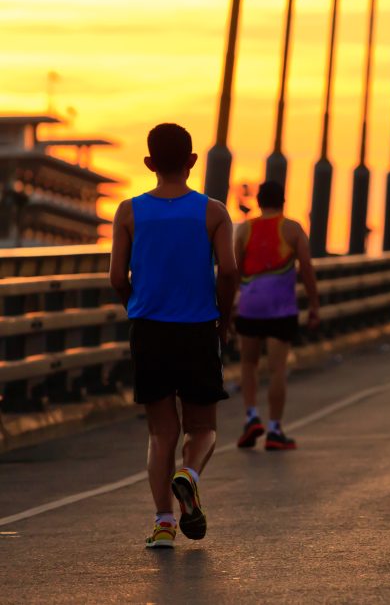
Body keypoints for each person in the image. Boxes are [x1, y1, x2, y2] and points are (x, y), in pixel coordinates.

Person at [109, 123, 237, 549]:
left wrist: (137, 304)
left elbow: (115, 276)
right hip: (197, 328)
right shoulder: (213, 211)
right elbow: (230, 270)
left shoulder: (128, 211)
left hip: (149, 330)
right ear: (192, 161)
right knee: (202, 428)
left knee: (160, 432)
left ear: (149, 163)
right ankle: (191, 473)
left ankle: (164, 522)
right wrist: (224, 316)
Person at [233, 181, 320, 451]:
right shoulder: (292, 229)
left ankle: (251, 417)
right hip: (280, 309)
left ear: (259, 202)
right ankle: (274, 429)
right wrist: (314, 305)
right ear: (283, 201)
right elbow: (306, 269)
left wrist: (228, 308)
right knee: (276, 368)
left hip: (249, 306)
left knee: (248, 364)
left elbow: (233, 272)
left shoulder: (244, 229)